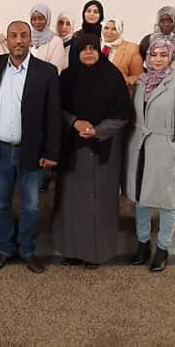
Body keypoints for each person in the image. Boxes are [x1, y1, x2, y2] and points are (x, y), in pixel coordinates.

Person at [0, 21, 61, 274]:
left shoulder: (46, 72)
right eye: (14, 36)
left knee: (31, 206)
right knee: (0, 205)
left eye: (23, 35)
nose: (18, 40)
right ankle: (5, 248)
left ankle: (27, 250)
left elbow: (53, 115)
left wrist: (51, 152)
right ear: (6, 40)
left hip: (32, 151)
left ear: (30, 39)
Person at [53, 35, 132, 268]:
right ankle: (71, 250)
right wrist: (74, 122)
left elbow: (123, 113)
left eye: (93, 48)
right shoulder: (67, 77)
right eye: (83, 49)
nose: (88, 52)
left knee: (98, 203)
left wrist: (98, 130)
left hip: (103, 149)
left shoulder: (112, 76)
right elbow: (55, 108)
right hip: (72, 149)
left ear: (99, 51)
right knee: (70, 202)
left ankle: (96, 254)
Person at [125, 39, 175, 272]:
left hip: (165, 149)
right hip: (140, 148)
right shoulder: (141, 83)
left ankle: (163, 248)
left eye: (163, 55)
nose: (157, 59)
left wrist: (174, 148)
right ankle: (143, 243)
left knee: (168, 202)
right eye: (153, 54)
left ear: (172, 58)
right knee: (140, 197)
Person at [101, 17, 144, 87]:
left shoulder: (131, 48)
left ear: (120, 31)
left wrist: (125, 80)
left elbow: (139, 77)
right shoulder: (95, 45)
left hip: (117, 90)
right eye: (106, 28)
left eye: (114, 29)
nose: (109, 31)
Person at [29, 3, 65, 75]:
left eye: (40, 18)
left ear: (47, 19)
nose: (37, 22)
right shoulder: (27, 38)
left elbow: (55, 69)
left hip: (46, 81)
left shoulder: (56, 41)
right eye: (34, 19)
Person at [68, 0, 104, 69]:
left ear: (101, 15)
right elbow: (73, 61)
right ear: (84, 14)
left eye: (96, 12)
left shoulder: (105, 34)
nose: (92, 14)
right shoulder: (77, 35)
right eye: (88, 11)